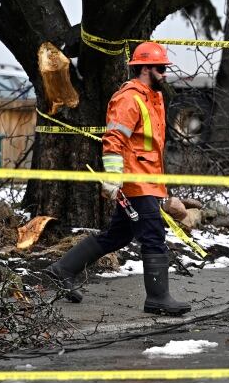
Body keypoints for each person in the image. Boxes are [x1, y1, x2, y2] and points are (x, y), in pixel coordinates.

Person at [45, 42, 191, 315]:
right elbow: (113, 140)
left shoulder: (153, 98)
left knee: (117, 236)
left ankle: (62, 269)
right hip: (136, 182)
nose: (165, 73)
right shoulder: (130, 98)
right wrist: (113, 179)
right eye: (161, 68)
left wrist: (163, 190)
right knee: (153, 235)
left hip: (148, 181)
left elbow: (151, 149)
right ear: (146, 68)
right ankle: (158, 298)